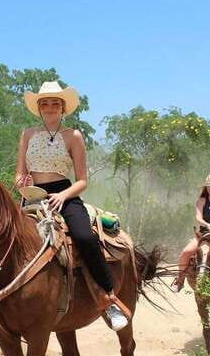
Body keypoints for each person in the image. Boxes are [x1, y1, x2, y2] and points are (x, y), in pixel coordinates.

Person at [16, 81, 129, 331]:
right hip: (32, 195)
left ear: (63, 107)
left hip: (63, 193)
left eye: (55, 102)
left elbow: (82, 181)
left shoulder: (73, 135)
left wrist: (63, 196)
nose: (50, 106)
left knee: (84, 237)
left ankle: (109, 298)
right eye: (45, 102)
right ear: (39, 107)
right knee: (7, 234)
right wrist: (21, 182)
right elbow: (19, 174)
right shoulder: (27, 134)